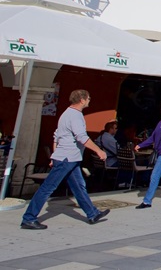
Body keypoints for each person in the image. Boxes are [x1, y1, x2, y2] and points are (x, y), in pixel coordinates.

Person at [21, 90, 110, 229]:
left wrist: (54, 155)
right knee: (47, 188)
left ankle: (92, 213)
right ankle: (29, 218)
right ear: (82, 100)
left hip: (69, 158)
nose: (89, 100)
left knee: (79, 187)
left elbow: (56, 136)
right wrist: (98, 150)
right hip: (67, 158)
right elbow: (81, 137)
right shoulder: (75, 116)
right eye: (88, 98)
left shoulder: (67, 113)